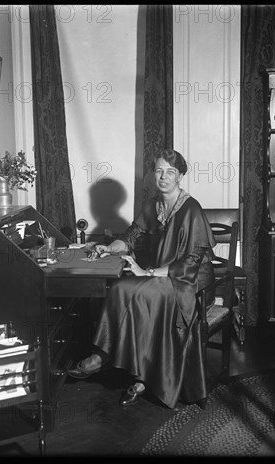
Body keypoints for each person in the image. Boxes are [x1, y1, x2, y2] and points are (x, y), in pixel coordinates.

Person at [68, 149, 216, 409]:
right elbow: (130, 236)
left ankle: (141, 376)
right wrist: (108, 248)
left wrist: (146, 272)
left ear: (180, 175)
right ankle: (102, 356)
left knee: (144, 293)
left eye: (170, 171)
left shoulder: (191, 208)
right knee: (120, 288)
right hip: (162, 276)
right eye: (159, 170)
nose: (164, 176)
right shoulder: (153, 205)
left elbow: (191, 263)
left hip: (188, 282)